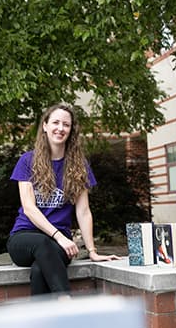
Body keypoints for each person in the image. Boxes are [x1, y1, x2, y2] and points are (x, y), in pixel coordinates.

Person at [7, 103, 119, 295]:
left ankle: (43, 322)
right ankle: (66, 303)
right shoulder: (27, 161)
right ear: (45, 125)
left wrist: (92, 251)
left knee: (40, 270)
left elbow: (83, 211)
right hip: (24, 238)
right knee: (43, 244)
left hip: (59, 244)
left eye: (66, 124)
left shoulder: (78, 165)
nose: (60, 128)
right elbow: (29, 208)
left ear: (71, 130)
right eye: (55, 122)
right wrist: (58, 236)